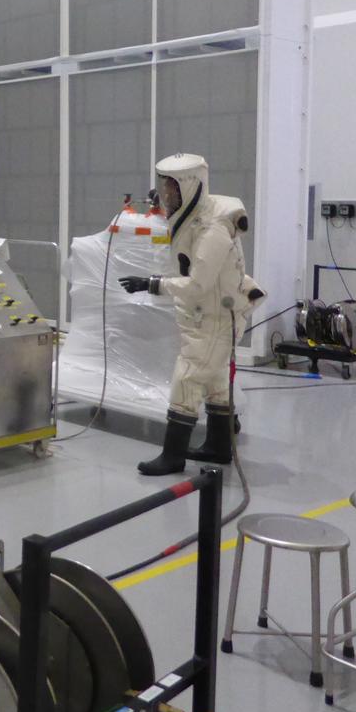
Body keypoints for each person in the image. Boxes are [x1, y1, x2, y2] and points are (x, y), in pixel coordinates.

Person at [119, 153, 264, 476]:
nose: (165, 195)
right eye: (164, 187)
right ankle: (218, 447)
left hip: (214, 318)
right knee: (216, 383)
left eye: (171, 189)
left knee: (187, 379)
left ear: (190, 186)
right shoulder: (197, 215)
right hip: (209, 316)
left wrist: (152, 284)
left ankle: (173, 456)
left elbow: (199, 284)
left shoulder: (213, 228)